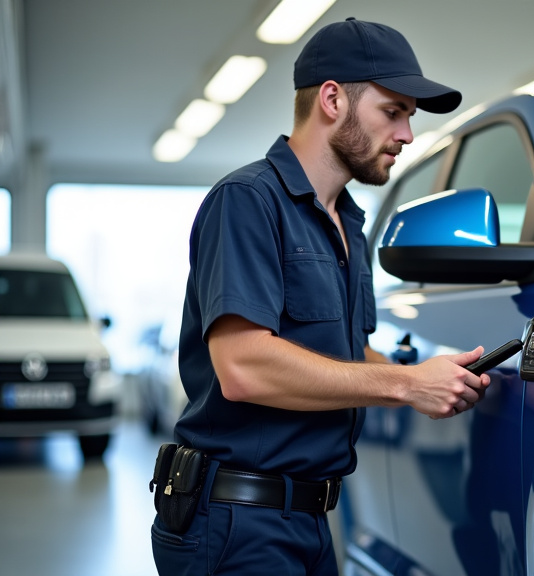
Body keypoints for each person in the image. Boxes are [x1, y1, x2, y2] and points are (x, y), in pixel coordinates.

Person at [150, 17, 489, 576]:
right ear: (332, 99)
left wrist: (430, 374)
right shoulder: (248, 201)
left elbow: (346, 355)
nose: (407, 134)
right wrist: (405, 385)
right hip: (236, 523)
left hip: (310, 519)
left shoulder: (348, 225)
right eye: (394, 111)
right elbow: (244, 367)